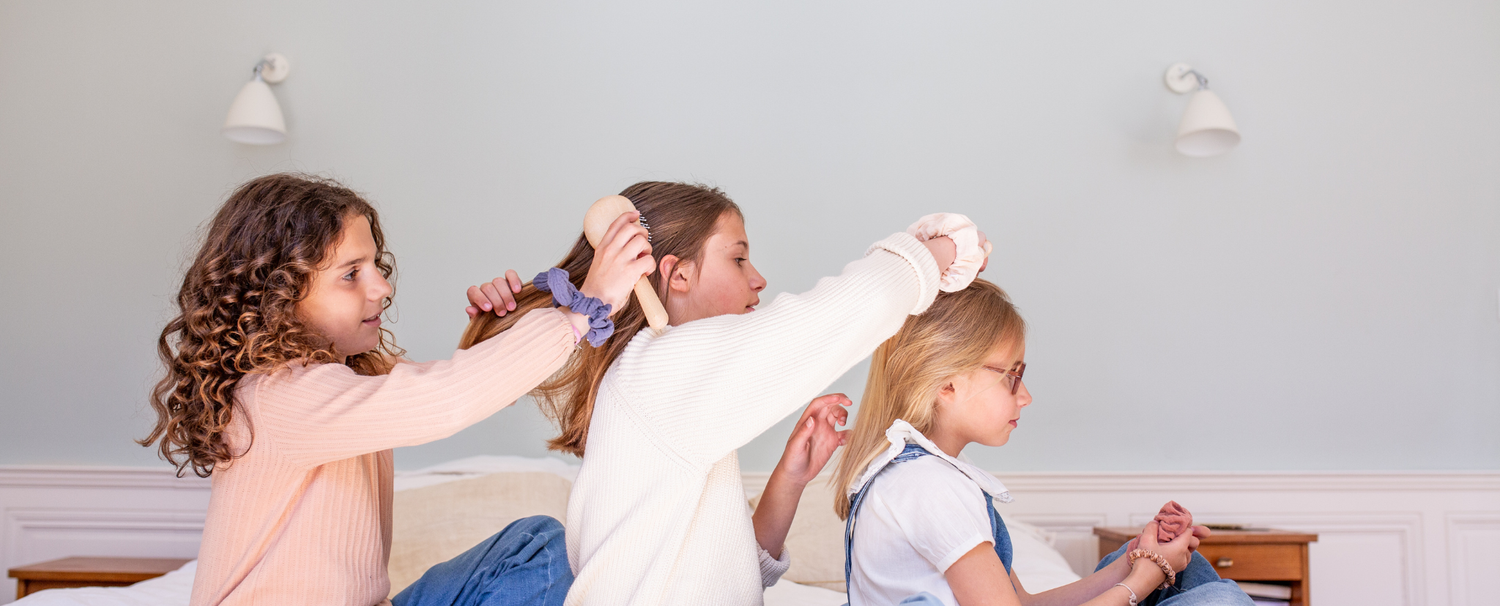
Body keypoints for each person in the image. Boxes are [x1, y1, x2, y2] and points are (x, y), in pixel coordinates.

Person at [460, 182, 987, 605]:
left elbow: (714, 579)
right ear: (677, 275)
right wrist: (939, 249)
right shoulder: (661, 371)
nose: (759, 279)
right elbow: (839, 315)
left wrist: (789, 480)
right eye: (738, 259)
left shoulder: (658, 382)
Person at [140, 173, 652, 606]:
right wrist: (588, 306)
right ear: (279, 297)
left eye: (375, 267)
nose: (381, 287)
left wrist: (496, 327)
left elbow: (454, 384)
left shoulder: (348, 375)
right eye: (351, 274)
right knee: (539, 549)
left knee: (535, 546)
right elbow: (445, 400)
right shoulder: (280, 397)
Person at [832, 279, 1253, 605]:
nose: (1026, 397)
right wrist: (1144, 579)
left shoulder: (923, 477)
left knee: (1186, 569)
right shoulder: (930, 487)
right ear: (947, 383)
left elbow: (1021, 603)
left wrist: (1137, 559)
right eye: (1012, 376)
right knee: (1221, 601)